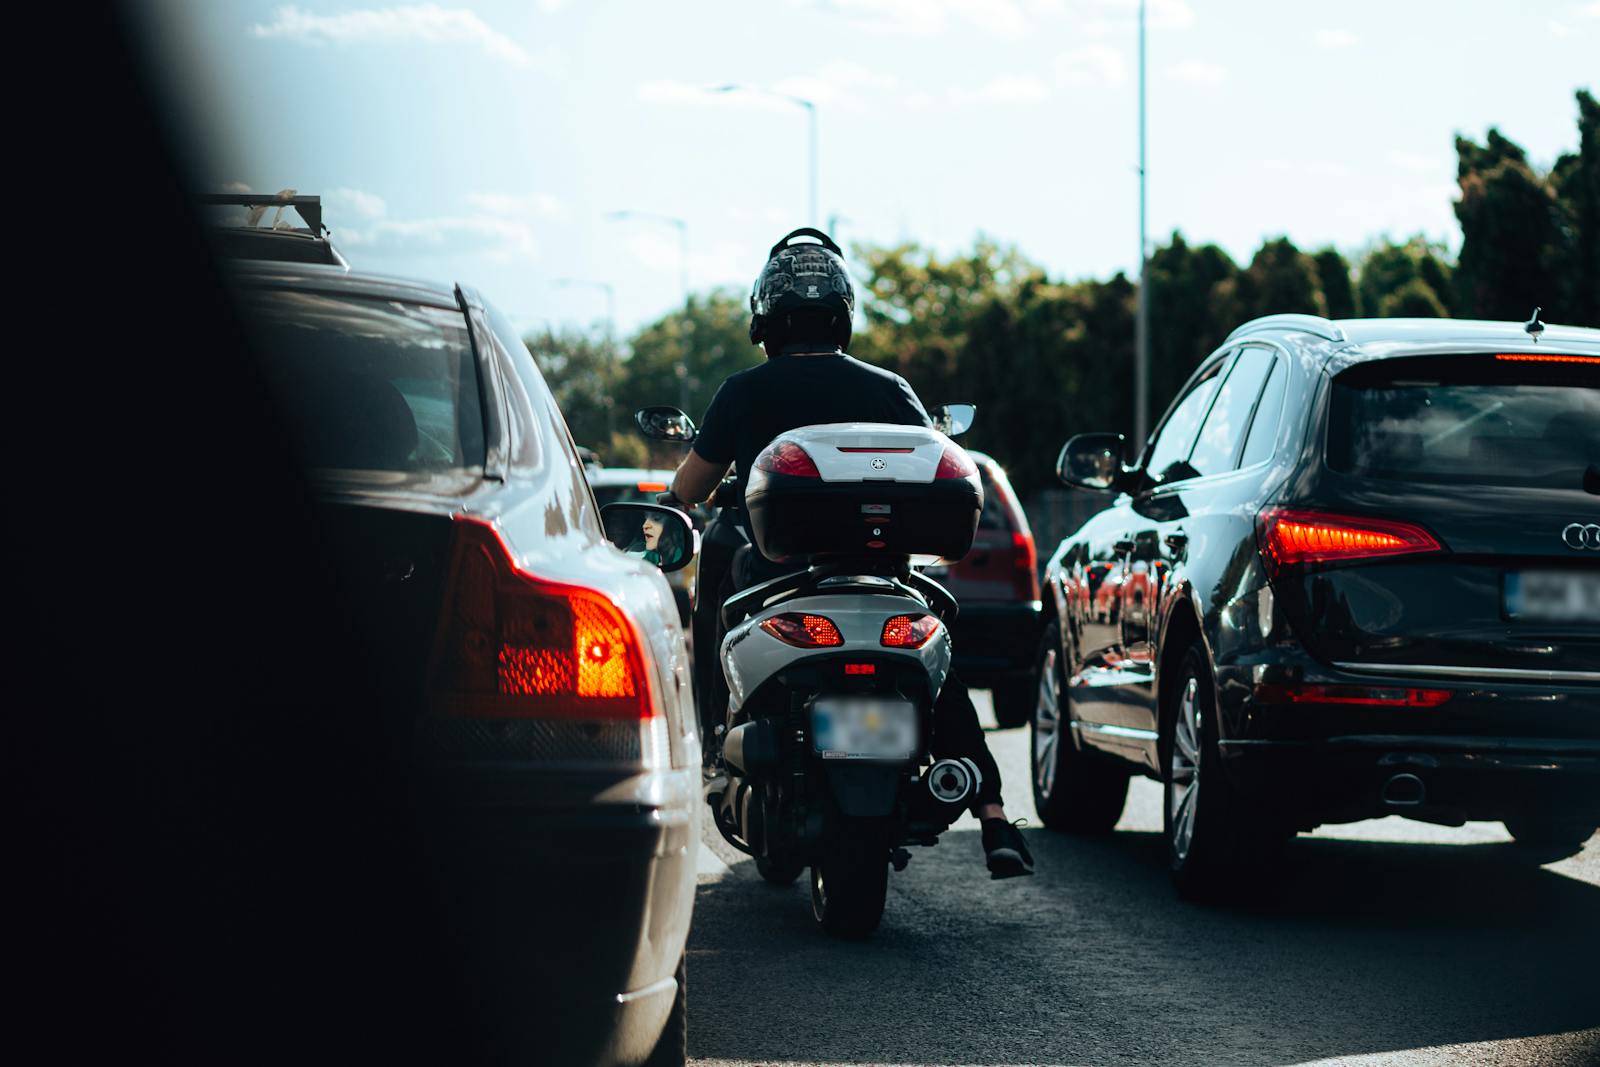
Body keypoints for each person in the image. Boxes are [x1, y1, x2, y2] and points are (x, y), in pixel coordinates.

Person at [663, 227, 1034, 879]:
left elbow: (687, 491)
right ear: (844, 314)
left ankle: (718, 740)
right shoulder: (889, 387)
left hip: (778, 579)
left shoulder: (743, 391)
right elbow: (930, 462)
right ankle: (996, 814)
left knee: (717, 594)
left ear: (766, 318)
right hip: (882, 576)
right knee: (937, 667)